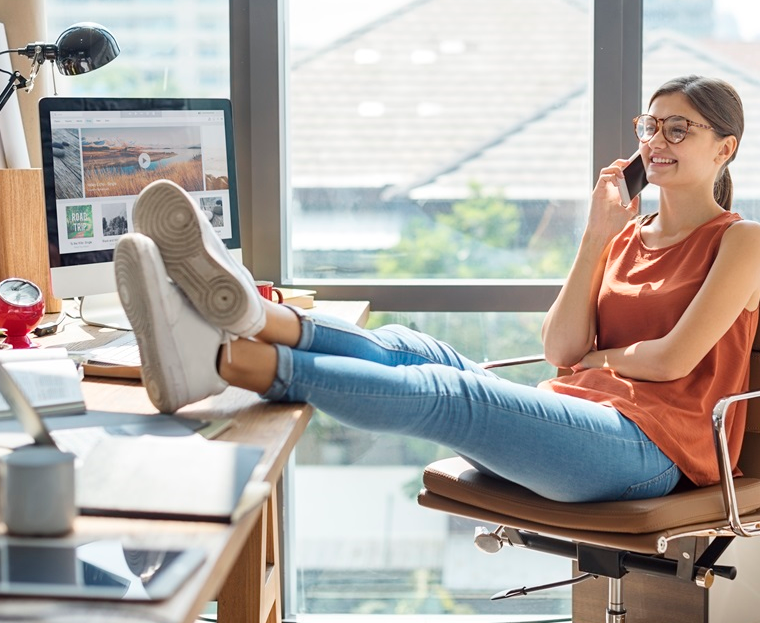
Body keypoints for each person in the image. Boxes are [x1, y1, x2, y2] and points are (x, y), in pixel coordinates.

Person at [114, 74, 760, 504]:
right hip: (586, 419)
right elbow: (562, 347)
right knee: (408, 343)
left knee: (452, 391)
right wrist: (595, 235)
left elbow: (674, 360)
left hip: (652, 453)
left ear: (724, 148)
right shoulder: (624, 235)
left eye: (680, 129)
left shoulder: (742, 241)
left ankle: (226, 360)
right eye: (650, 126)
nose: (657, 141)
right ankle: (250, 315)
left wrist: (603, 359)